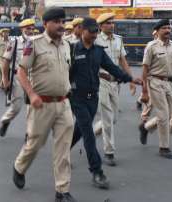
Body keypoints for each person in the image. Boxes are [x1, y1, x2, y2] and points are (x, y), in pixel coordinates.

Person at [13, 8, 76, 202]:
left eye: (62, 22)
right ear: (46, 23)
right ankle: (19, 167)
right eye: (56, 22)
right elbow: (21, 72)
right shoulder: (35, 44)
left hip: (63, 103)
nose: (61, 25)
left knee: (63, 149)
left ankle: (62, 190)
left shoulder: (67, 45)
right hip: (42, 104)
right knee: (35, 143)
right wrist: (31, 94)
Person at [69, 17, 141, 189]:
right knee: (88, 134)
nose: (94, 35)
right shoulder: (71, 50)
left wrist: (130, 78)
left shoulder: (99, 51)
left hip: (92, 98)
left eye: (96, 31)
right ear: (82, 31)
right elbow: (64, 73)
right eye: (91, 31)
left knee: (79, 129)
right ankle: (97, 171)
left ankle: (62, 148)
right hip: (77, 98)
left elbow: (113, 68)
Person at [92, 13, 136, 166]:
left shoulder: (119, 39)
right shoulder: (95, 39)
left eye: (112, 22)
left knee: (114, 118)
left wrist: (130, 79)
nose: (112, 25)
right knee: (107, 117)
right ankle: (109, 152)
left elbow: (123, 61)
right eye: (108, 23)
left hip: (115, 83)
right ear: (101, 26)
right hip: (101, 81)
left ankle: (91, 133)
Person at [141, 19, 172, 159]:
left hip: (170, 84)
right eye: (164, 28)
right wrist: (144, 90)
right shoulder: (151, 46)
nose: (168, 31)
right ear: (157, 31)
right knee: (164, 115)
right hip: (155, 82)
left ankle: (145, 127)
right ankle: (164, 147)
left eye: (169, 28)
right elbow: (145, 68)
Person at [0, 18, 35, 137]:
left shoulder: (36, 42)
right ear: (22, 29)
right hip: (17, 77)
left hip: (32, 77)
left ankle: (29, 133)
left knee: (32, 107)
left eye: (32, 28)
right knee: (17, 106)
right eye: (27, 28)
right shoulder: (14, 42)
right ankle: (5, 121)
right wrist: (5, 80)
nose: (30, 30)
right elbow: (5, 62)